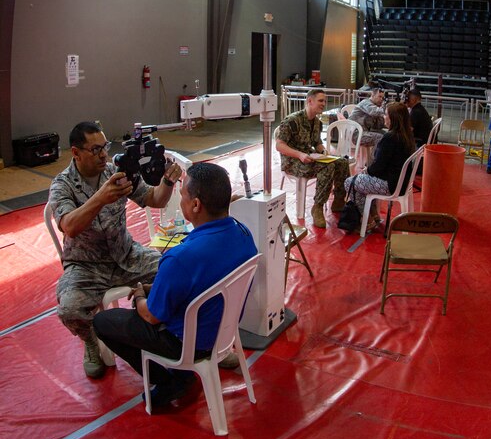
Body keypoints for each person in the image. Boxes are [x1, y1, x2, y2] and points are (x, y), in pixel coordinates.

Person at [93, 163, 258, 407]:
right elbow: (203, 281)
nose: (180, 202)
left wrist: (139, 295)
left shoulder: (180, 258)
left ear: (196, 205)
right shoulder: (243, 233)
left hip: (191, 345)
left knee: (103, 321)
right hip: (223, 330)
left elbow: (150, 316)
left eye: (182, 196)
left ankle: (174, 379)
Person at [48, 121, 182, 379]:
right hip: (87, 266)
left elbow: (154, 199)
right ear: (76, 152)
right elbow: (69, 226)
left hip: (127, 255)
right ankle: (91, 343)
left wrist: (167, 180)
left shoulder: (118, 172)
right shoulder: (62, 185)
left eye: (105, 147)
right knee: (69, 309)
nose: (103, 155)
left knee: (176, 274)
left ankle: (169, 336)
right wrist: (101, 197)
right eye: (95, 149)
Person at [276, 88, 350, 228]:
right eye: (320, 101)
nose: (324, 104)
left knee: (341, 162)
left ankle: (339, 200)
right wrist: (300, 155)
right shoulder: (292, 121)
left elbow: (316, 143)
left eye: (325, 101)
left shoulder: (317, 122)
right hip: (292, 161)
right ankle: (317, 207)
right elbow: (279, 146)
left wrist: (324, 152)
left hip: (309, 157)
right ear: (310, 101)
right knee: (328, 166)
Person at [343, 102, 415, 232]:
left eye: (386, 115)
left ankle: (368, 220)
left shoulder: (390, 138)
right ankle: (374, 215)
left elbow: (378, 167)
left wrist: (366, 171)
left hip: (391, 184)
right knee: (360, 180)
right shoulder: (407, 135)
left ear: (393, 118)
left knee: (350, 182)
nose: (384, 118)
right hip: (401, 182)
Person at [347, 83, 386, 151]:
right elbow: (375, 112)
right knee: (380, 138)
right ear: (372, 95)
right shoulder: (366, 103)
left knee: (387, 135)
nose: (381, 99)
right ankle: (375, 161)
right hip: (355, 134)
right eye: (379, 96)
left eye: (382, 98)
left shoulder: (375, 105)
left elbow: (378, 125)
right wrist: (386, 109)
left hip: (364, 131)